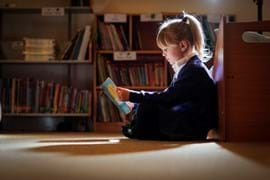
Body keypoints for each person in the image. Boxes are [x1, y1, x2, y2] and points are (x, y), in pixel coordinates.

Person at [116, 11, 218, 140]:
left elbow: (168, 98)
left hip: (193, 126)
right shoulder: (189, 66)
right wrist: (135, 103)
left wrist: (133, 95)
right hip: (188, 118)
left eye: (165, 49)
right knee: (147, 104)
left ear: (183, 45)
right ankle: (136, 127)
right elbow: (170, 95)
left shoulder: (193, 70)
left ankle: (136, 130)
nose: (163, 54)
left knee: (148, 105)